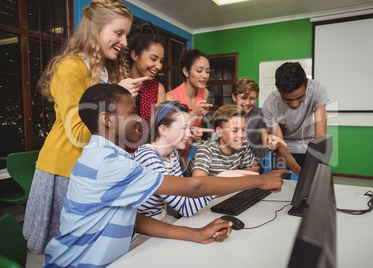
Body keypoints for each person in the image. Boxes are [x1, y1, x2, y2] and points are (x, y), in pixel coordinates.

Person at [42, 83, 288, 267]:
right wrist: (261, 180)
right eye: (132, 112)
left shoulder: (111, 157)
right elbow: (195, 188)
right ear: (107, 119)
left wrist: (195, 234)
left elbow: (133, 219)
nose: (139, 119)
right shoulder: (108, 164)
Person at [23, 0, 147, 255]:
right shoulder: (70, 67)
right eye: (119, 33)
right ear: (95, 29)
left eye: (126, 34)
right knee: (66, 250)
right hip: (64, 170)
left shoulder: (105, 70)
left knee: (94, 249)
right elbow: (79, 133)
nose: (125, 42)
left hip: (94, 168)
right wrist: (117, 98)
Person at [134, 101, 256, 222]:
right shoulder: (148, 156)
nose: (189, 133)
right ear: (163, 130)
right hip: (136, 227)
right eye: (184, 128)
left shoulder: (172, 154)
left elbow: (183, 194)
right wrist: (221, 178)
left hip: (159, 218)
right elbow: (185, 208)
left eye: (189, 128)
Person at [262, 62, 328, 177]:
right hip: (284, 146)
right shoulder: (269, 105)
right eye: (287, 99)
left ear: (307, 83)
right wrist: (300, 173)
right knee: (280, 184)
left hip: (309, 144)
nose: (294, 104)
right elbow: (280, 145)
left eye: (300, 97)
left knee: (315, 181)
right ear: (278, 89)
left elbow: (320, 137)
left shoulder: (317, 89)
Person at [188, 104, 285, 177]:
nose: (241, 135)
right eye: (235, 130)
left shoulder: (242, 145)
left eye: (243, 129)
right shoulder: (205, 149)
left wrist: (232, 175)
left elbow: (254, 169)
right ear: (219, 132)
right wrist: (232, 177)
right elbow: (200, 182)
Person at [125, 22, 166, 153]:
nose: (159, 66)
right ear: (134, 55)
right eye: (153, 59)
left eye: (161, 61)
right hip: (120, 156)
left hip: (148, 157)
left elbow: (161, 128)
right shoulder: (118, 82)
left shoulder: (158, 89)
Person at [232, 77, 287, 173]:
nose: (248, 103)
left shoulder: (260, 114)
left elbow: (266, 146)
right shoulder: (227, 114)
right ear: (234, 97)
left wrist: (270, 145)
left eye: (252, 98)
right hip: (232, 164)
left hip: (255, 164)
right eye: (243, 98)